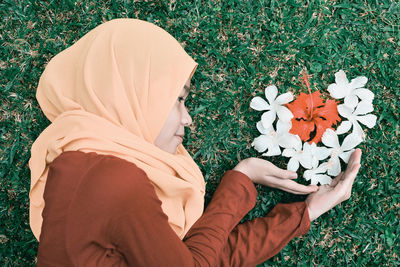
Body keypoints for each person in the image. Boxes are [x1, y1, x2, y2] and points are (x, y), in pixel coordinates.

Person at [29, 18, 361, 266]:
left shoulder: (72, 164)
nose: (187, 118)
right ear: (131, 95)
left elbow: (201, 257)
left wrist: (307, 211)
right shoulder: (114, 182)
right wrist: (240, 181)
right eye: (177, 99)